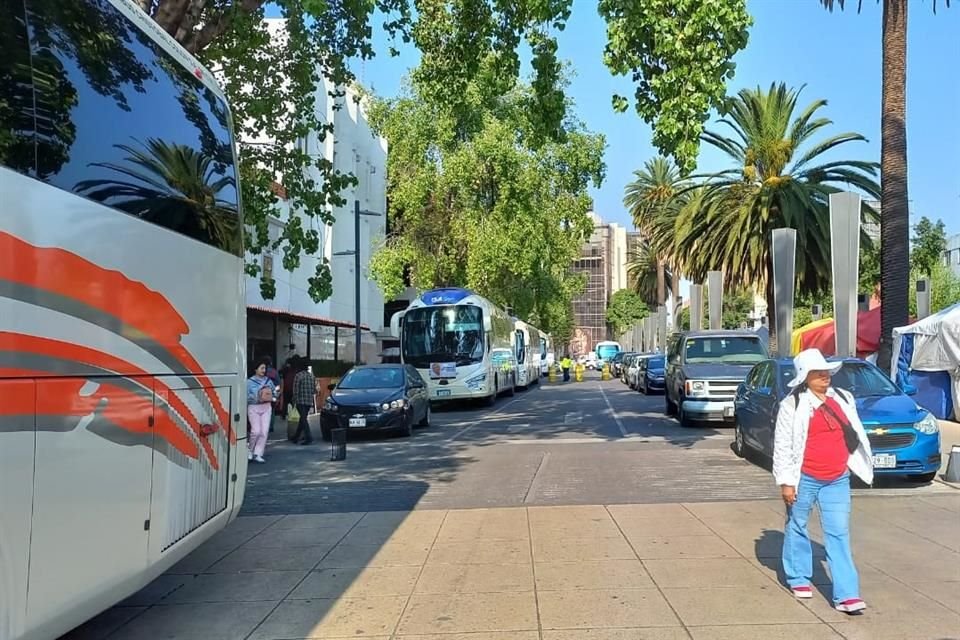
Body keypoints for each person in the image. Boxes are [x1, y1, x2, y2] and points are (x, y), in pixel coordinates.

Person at [773, 348, 874, 614]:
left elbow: (855, 432)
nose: (825, 377)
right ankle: (798, 577)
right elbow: (783, 445)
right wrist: (786, 482)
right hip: (804, 476)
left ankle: (847, 594)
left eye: (826, 372)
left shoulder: (843, 397)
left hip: (838, 477)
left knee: (838, 532)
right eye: (818, 373)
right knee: (797, 524)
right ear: (805, 377)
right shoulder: (792, 404)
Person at [246, 360, 277, 463]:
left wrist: (273, 397)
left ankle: (258, 453)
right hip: (254, 407)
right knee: (255, 431)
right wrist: (258, 397)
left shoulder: (269, 381)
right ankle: (249, 451)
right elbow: (246, 397)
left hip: (266, 407)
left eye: (265, 368)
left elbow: (275, 392)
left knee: (264, 432)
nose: (264, 370)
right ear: (255, 369)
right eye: (261, 368)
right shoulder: (249, 382)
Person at [291, 358, 317, 445]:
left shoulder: (298, 376)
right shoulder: (311, 376)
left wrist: (294, 400)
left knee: (303, 419)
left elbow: (296, 390)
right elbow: (314, 390)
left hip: (300, 401)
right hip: (309, 401)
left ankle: (309, 437)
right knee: (303, 419)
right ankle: (296, 437)